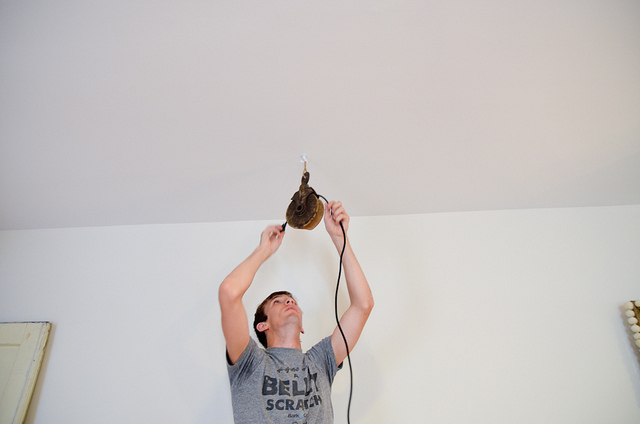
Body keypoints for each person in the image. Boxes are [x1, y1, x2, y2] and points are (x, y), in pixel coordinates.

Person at [219, 201, 374, 423]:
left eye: (291, 300)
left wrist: (340, 239)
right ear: (262, 325)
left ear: (302, 327)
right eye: (277, 302)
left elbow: (363, 305)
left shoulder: (321, 360)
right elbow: (229, 292)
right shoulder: (249, 363)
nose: (289, 301)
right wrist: (264, 250)